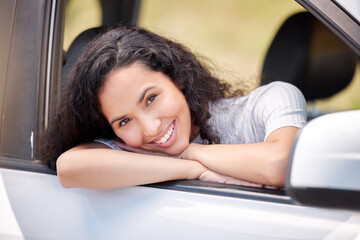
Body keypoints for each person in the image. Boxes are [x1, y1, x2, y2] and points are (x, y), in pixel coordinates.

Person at [37, 25, 307, 189]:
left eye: (151, 99)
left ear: (177, 78)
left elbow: (280, 165)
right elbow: (70, 167)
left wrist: (189, 151)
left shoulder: (269, 101)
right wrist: (194, 169)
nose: (151, 128)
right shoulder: (127, 146)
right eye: (124, 121)